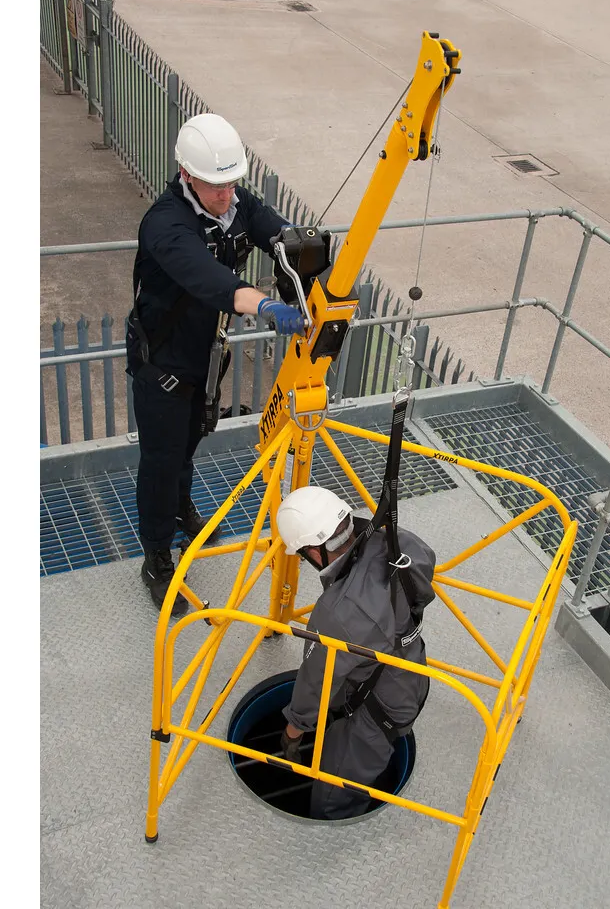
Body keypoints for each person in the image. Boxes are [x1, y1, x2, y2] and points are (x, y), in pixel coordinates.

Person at [126, 113, 305, 616]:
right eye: (216, 187)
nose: (228, 196)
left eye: (232, 184)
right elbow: (211, 281)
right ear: (187, 175)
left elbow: (275, 229)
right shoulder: (166, 225)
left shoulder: (233, 203)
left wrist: (302, 250)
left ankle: (181, 508)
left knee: (189, 442)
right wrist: (267, 306)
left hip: (204, 357)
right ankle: (157, 556)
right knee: (161, 461)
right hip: (162, 364)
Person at [274, 486, 436, 820]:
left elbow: (315, 683)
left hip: (380, 712)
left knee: (333, 796)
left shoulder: (337, 614)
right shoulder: (400, 544)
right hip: (412, 673)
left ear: (313, 550)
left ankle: (332, 825)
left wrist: (293, 732)